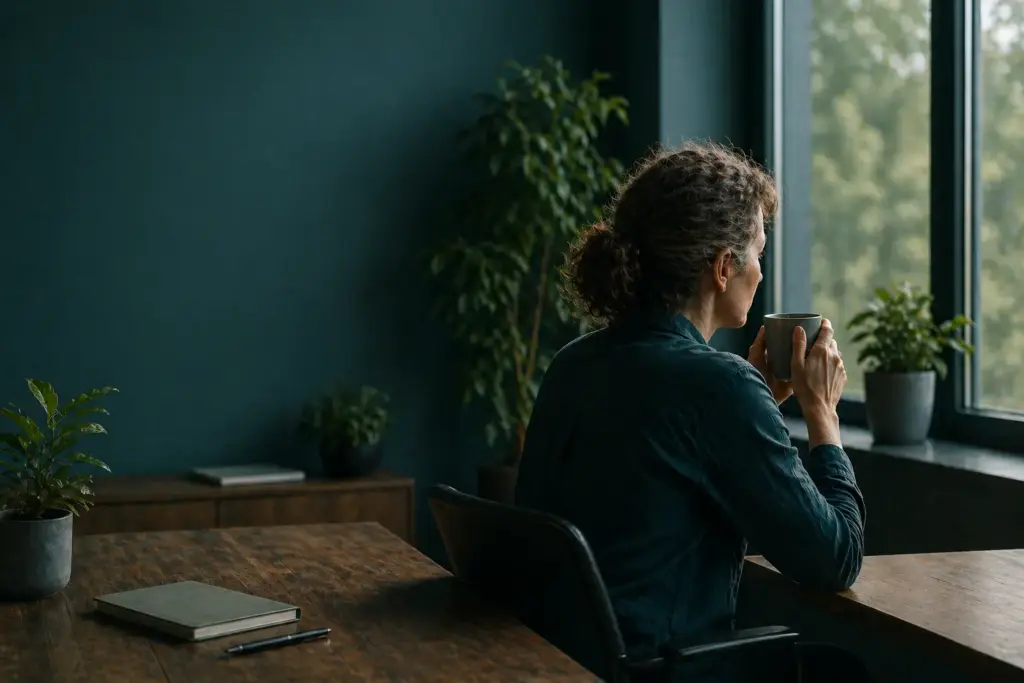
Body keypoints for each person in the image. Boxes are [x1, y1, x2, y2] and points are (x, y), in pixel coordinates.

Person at [514, 141, 868, 682]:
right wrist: (822, 415)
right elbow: (834, 559)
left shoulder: (574, 363)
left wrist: (759, 409)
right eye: (759, 254)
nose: (762, 273)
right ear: (724, 267)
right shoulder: (719, 386)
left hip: (566, 664)